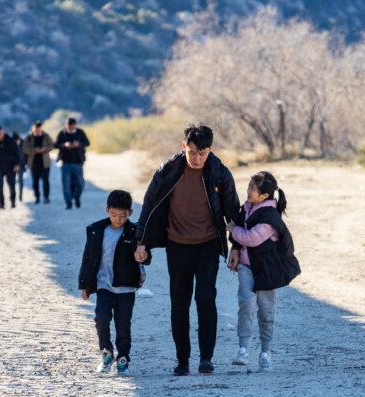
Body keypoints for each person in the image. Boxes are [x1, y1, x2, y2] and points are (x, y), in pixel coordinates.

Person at [134, 123, 241, 376]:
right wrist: (141, 241)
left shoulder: (219, 172)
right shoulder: (169, 170)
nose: (196, 158)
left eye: (202, 153)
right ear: (184, 146)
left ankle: (206, 358)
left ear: (210, 150)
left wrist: (236, 246)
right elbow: (149, 204)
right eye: (192, 152)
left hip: (207, 246)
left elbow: (233, 212)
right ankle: (182, 360)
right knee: (179, 304)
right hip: (177, 246)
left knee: (206, 300)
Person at [226, 171, 300, 370]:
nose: (248, 190)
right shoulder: (247, 207)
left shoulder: (269, 216)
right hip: (245, 266)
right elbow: (242, 238)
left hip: (267, 269)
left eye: (253, 188)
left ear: (264, 196)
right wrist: (235, 248)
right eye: (249, 185)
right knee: (246, 303)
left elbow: (250, 238)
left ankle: (265, 352)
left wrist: (232, 230)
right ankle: (243, 349)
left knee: (266, 312)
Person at [79, 190, 151, 375]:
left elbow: (146, 256)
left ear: (130, 213)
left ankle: (123, 359)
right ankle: (107, 353)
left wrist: (142, 255)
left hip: (126, 288)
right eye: (113, 215)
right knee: (101, 319)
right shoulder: (96, 230)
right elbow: (88, 259)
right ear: (107, 210)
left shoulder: (136, 232)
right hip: (104, 286)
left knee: (123, 325)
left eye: (123, 216)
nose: (118, 219)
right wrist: (86, 285)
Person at [55, 117, 90, 209]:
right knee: (66, 184)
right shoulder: (62, 133)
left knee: (80, 183)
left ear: (75, 125)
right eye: (69, 127)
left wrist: (78, 144)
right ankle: (68, 203)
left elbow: (87, 143)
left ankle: (77, 197)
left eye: (72, 127)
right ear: (66, 125)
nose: (70, 128)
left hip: (78, 163)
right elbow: (56, 144)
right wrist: (64, 145)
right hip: (65, 163)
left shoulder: (80, 132)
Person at [0, 127, 20, 209]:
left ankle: (13, 202)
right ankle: (1, 204)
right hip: (0, 167)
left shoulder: (10, 140)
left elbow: (17, 153)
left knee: (11, 185)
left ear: (3, 133)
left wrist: (17, 164)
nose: (0, 135)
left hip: (11, 167)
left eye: (1, 133)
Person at [23, 121, 54, 204]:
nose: (37, 130)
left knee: (46, 181)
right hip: (34, 163)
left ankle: (46, 197)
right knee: (35, 182)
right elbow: (24, 149)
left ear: (41, 128)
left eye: (39, 128)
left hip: (45, 163)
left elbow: (51, 145)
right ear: (33, 128)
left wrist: (44, 149)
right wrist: (34, 150)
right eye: (36, 129)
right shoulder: (29, 137)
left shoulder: (46, 136)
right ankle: (37, 197)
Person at [12, 131, 26, 201]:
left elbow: (25, 155)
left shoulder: (23, 143)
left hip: (21, 165)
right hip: (12, 166)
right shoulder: (10, 145)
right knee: (12, 182)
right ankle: (13, 196)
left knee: (21, 181)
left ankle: (20, 196)